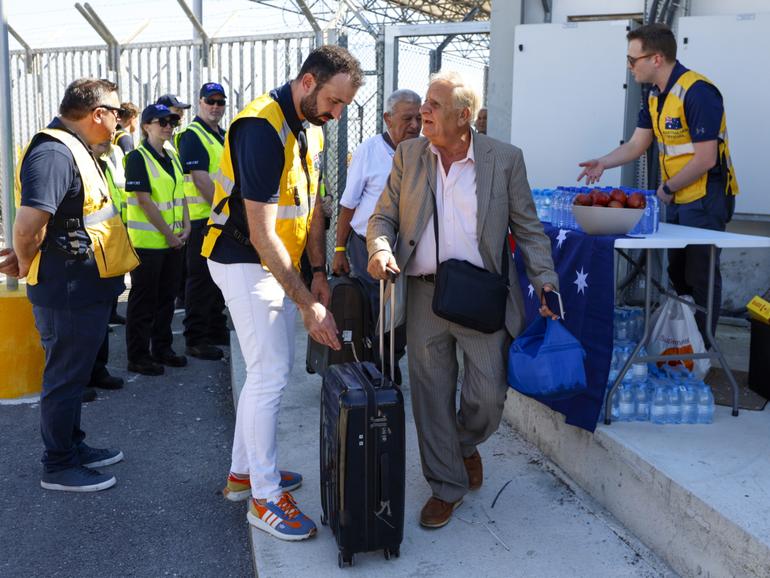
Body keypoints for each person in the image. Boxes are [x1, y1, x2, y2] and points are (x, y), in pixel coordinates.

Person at [367, 71, 558, 529]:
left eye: (433, 105)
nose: (423, 113)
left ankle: (464, 443)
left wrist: (545, 281)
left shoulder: (504, 160)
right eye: (423, 106)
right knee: (430, 397)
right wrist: (379, 248)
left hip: (480, 297)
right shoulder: (410, 155)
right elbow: (383, 216)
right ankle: (446, 485)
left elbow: (528, 229)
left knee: (488, 398)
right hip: (424, 295)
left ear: (463, 116)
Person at [202, 45, 363, 541]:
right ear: (309, 82)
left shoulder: (303, 128)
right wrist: (308, 303)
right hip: (243, 262)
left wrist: (318, 270)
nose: (336, 115)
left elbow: (312, 209)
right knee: (271, 374)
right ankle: (265, 498)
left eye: (343, 108)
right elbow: (261, 232)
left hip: (271, 265)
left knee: (266, 373)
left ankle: (242, 474)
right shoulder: (260, 126)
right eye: (335, 102)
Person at [13, 78, 139, 492]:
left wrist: (33, 254)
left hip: (82, 285)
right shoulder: (53, 152)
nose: (120, 121)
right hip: (66, 288)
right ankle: (59, 463)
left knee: (75, 372)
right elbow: (28, 226)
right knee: (65, 377)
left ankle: (72, 445)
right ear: (97, 113)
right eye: (117, 113)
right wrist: (30, 261)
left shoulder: (76, 149)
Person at [577, 23, 738, 342]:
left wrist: (665, 189)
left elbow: (706, 159)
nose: (629, 66)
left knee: (700, 275)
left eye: (632, 59)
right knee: (677, 275)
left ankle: (703, 352)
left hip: (705, 198)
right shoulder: (654, 96)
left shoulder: (698, 92)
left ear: (657, 59)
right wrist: (604, 162)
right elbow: (637, 145)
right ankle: (683, 344)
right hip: (679, 197)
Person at [332, 88, 422, 382]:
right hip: (367, 245)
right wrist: (340, 249)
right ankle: (376, 368)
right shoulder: (368, 151)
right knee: (375, 311)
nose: (414, 125)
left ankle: (389, 362)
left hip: (407, 249)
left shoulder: (424, 151)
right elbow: (348, 204)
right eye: (407, 118)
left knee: (401, 313)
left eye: (419, 118)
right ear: (387, 118)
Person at [123, 104, 190, 376]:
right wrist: (169, 234)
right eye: (161, 121)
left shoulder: (172, 156)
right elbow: (144, 201)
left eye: (172, 122)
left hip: (172, 242)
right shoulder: (138, 158)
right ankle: (138, 356)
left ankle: (162, 348)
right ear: (146, 126)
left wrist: (186, 226)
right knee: (143, 303)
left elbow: (181, 194)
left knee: (166, 300)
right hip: (149, 245)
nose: (167, 126)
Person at [177, 83, 229, 361]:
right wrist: (225, 213)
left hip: (217, 218)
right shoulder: (192, 135)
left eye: (220, 102)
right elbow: (200, 179)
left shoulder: (221, 134)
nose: (215, 106)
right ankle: (196, 338)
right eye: (210, 101)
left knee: (218, 278)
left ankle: (215, 327)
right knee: (199, 279)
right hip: (203, 219)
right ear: (200, 102)